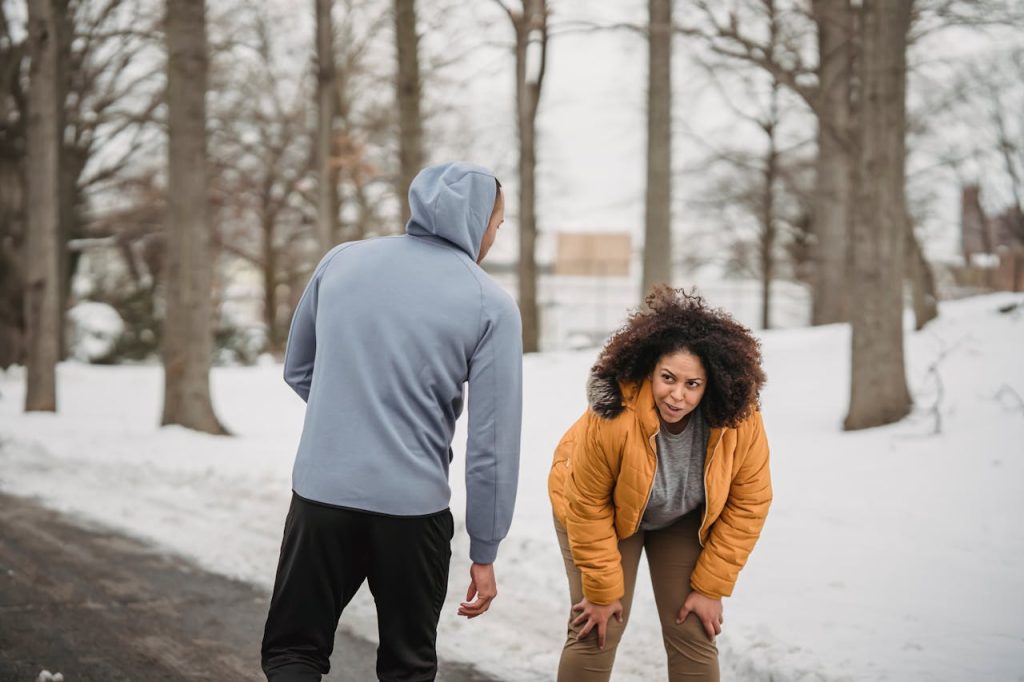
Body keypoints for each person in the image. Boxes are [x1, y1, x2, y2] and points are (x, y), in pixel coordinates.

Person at [262, 162, 523, 682]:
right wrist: (485, 548)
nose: (495, 234)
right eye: (497, 222)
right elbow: (492, 445)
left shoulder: (341, 261)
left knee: (294, 651)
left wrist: (351, 415)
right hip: (412, 513)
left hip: (322, 498)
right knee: (407, 668)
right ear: (476, 220)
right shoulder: (489, 303)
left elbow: (299, 368)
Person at [547, 286, 772, 681]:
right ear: (650, 369)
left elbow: (749, 502)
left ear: (712, 384)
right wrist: (600, 593)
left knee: (694, 626)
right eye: (668, 378)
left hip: (679, 516)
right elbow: (587, 503)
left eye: (692, 384)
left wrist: (710, 588)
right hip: (604, 514)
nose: (677, 395)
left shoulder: (738, 419)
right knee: (599, 626)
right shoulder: (614, 414)